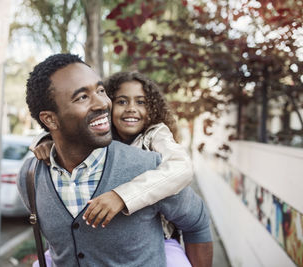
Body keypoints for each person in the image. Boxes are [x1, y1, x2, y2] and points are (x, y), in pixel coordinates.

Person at [17, 53, 212, 266]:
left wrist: (123, 196)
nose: (102, 103)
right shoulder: (30, 177)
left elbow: (184, 178)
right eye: (82, 97)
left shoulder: (151, 158)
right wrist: (45, 139)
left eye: (101, 91)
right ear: (50, 119)